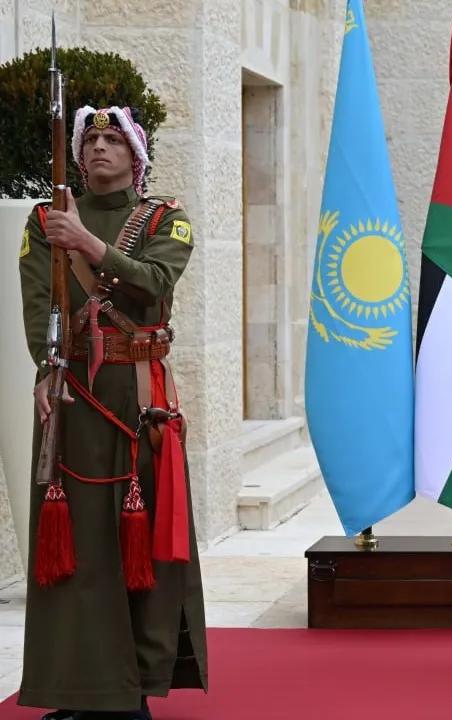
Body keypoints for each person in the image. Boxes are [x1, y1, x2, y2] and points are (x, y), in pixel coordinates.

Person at [17, 105, 208, 719]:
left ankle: (134, 688)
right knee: (72, 540)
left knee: (139, 538)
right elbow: (38, 300)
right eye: (91, 138)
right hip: (72, 393)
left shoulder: (166, 218)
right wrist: (46, 368)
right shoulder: (46, 219)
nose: (100, 147)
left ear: (136, 155)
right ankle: (75, 688)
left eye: (113, 138)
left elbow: (153, 281)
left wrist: (90, 244)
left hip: (139, 395)